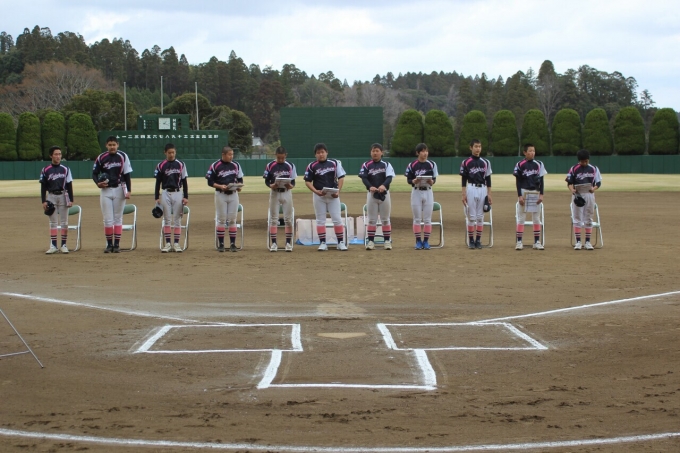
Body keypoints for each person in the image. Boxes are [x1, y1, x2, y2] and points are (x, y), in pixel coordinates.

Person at [92, 136, 133, 253]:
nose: (112, 147)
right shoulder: (101, 157)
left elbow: (127, 174)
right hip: (106, 190)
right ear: (106, 145)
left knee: (118, 218)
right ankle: (109, 245)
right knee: (107, 219)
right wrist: (98, 183)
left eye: (114, 145)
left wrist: (129, 190)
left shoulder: (123, 156)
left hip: (119, 188)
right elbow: (94, 173)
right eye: (110, 145)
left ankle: (117, 245)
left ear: (117, 145)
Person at [304, 143, 347, 251]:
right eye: (318, 153)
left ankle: (340, 242)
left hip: (333, 195)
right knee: (320, 220)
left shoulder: (334, 163)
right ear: (315, 155)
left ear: (327, 152)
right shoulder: (312, 165)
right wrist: (315, 191)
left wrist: (338, 191)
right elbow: (307, 181)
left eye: (322, 152)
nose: (321, 154)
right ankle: (323, 243)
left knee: (337, 219)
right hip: (319, 196)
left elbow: (341, 177)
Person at [206, 146, 243, 252]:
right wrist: (220, 186)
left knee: (232, 219)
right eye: (229, 154)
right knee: (221, 219)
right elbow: (210, 182)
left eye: (232, 154)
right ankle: (221, 244)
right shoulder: (215, 165)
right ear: (223, 154)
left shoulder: (236, 165)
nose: (231, 156)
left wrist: (239, 186)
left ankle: (232, 244)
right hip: (220, 194)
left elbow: (240, 179)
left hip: (233, 194)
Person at [154, 143, 189, 253]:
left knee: (177, 219)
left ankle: (177, 244)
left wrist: (186, 196)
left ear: (175, 152)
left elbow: (184, 181)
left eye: (173, 152)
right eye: (169, 152)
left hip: (178, 192)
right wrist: (156, 196)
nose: (171, 154)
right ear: (165, 153)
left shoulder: (181, 164)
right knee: (167, 219)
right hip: (165, 192)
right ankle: (168, 243)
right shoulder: (161, 165)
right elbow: (158, 182)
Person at [360, 143, 395, 250]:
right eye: (373, 151)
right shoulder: (366, 165)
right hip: (372, 194)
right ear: (370, 152)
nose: (375, 153)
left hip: (384, 194)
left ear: (381, 152)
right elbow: (364, 178)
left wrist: (384, 185)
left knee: (385, 219)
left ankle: (387, 241)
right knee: (371, 219)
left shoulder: (386, 164)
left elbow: (389, 177)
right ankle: (371, 241)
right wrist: (370, 186)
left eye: (377, 151)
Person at [40, 146, 73, 254]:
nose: (58, 156)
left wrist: (71, 199)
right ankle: (53, 245)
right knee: (53, 222)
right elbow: (43, 186)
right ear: (51, 155)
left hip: (63, 195)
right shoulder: (45, 170)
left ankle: (63, 245)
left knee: (64, 222)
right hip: (51, 196)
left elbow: (69, 184)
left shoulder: (66, 169)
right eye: (56, 154)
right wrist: (43, 201)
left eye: (59, 154)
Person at [566, 149, 602, 250]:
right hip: (578, 195)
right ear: (579, 160)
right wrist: (572, 190)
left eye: (586, 161)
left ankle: (587, 242)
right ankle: (578, 242)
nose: (584, 163)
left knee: (588, 217)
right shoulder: (574, 169)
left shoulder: (594, 168)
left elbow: (598, 183)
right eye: (582, 161)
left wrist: (593, 188)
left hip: (589, 194)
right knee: (577, 217)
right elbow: (569, 183)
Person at [513, 143, 547, 250]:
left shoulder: (539, 164)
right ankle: (519, 242)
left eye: (533, 151)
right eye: (530, 151)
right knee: (521, 218)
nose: (532, 153)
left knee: (536, 218)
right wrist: (519, 195)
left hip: (535, 192)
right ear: (525, 152)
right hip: (524, 191)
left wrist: (541, 194)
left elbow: (542, 180)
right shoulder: (520, 164)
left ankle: (537, 242)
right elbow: (518, 181)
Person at [460, 139, 492, 249]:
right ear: (471, 147)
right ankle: (471, 240)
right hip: (471, 188)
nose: (478, 148)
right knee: (471, 217)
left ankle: (478, 240)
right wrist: (463, 194)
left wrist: (489, 194)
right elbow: (464, 179)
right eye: (476, 146)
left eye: (479, 146)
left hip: (483, 189)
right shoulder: (466, 162)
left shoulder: (486, 162)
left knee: (480, 217)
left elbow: (488, 179)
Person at [263, 146, 296, 252]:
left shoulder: (290, 165)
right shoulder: (270, 165)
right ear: (275, 155)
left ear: (286, 155)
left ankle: (288, 243)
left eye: (282, 158)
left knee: (288, 219)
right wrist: (271, 185)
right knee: (273, 219)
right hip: (275, 193)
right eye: (278, 158)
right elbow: (266, 180)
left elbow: (293, 181)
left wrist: (291, 186)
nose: (280, 160)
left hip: (286, 192)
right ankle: (273, 243)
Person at [405, 143, 438, 250]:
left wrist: (432, 182)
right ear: (417, 153)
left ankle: (426, 241)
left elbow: (434, 179)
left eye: (426, 151)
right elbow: (408, 180)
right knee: (417, 219)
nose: (425, 153)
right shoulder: (412, 165)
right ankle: (418, 241)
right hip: (416, 191)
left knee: (428, 219)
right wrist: (413, 181)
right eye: (423, 151)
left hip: (428, 191)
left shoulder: (432, 164)